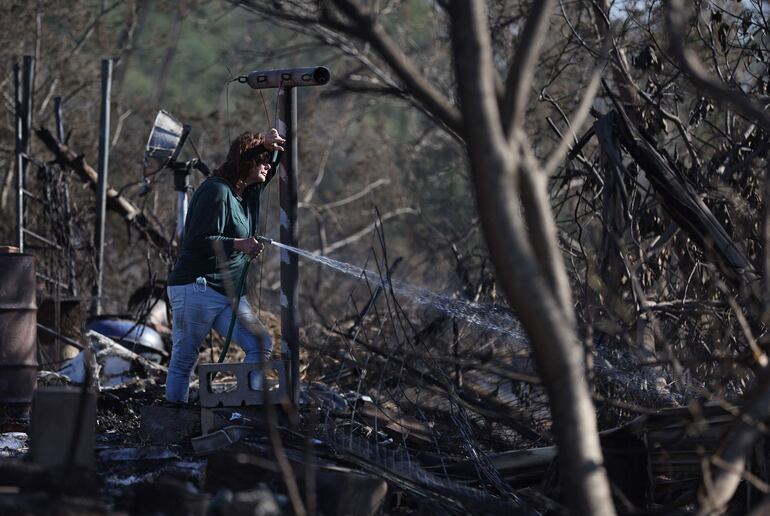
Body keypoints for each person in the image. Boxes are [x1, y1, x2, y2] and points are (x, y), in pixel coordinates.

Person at [165, 129, 285, 404]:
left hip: (228, 294)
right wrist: (239, 244)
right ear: (247, 162)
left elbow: (272, 165)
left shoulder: (248, 193)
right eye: (262, 160)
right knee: (185, 359)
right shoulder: (216, 191)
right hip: (197, 287)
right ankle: (172, 419)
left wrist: (270, 146)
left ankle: (252, 404)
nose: (267, 165)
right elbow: (196, 240)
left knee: (260, 344)